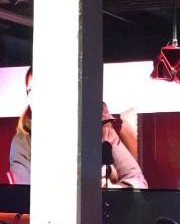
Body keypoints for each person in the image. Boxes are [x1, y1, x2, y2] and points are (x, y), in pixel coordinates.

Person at [9, 67, 147, 188]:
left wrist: (111, 192)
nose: (34, 97)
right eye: (30, 90)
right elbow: (28, 201)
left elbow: (137, 181)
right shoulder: (23, 141)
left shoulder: (97, 124)